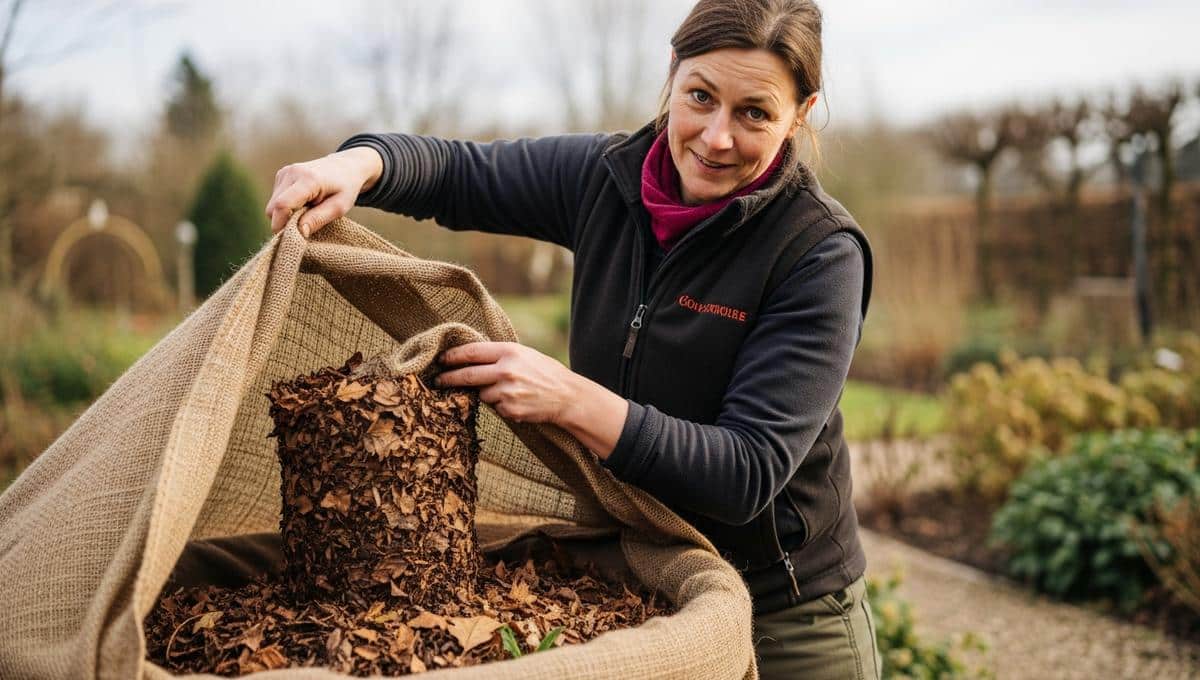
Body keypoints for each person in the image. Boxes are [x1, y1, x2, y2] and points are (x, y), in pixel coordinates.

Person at [265, 0, 879, 677]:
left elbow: (745, 472)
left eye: (754, 113)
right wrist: (358, 166)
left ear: (801, 111)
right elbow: (459, 172)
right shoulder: (605, 178)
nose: (716, 136)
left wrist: (567, 398)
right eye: (700, 97)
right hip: (649, 588)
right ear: (672, 74)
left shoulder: (818, 252)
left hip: (787, 613)